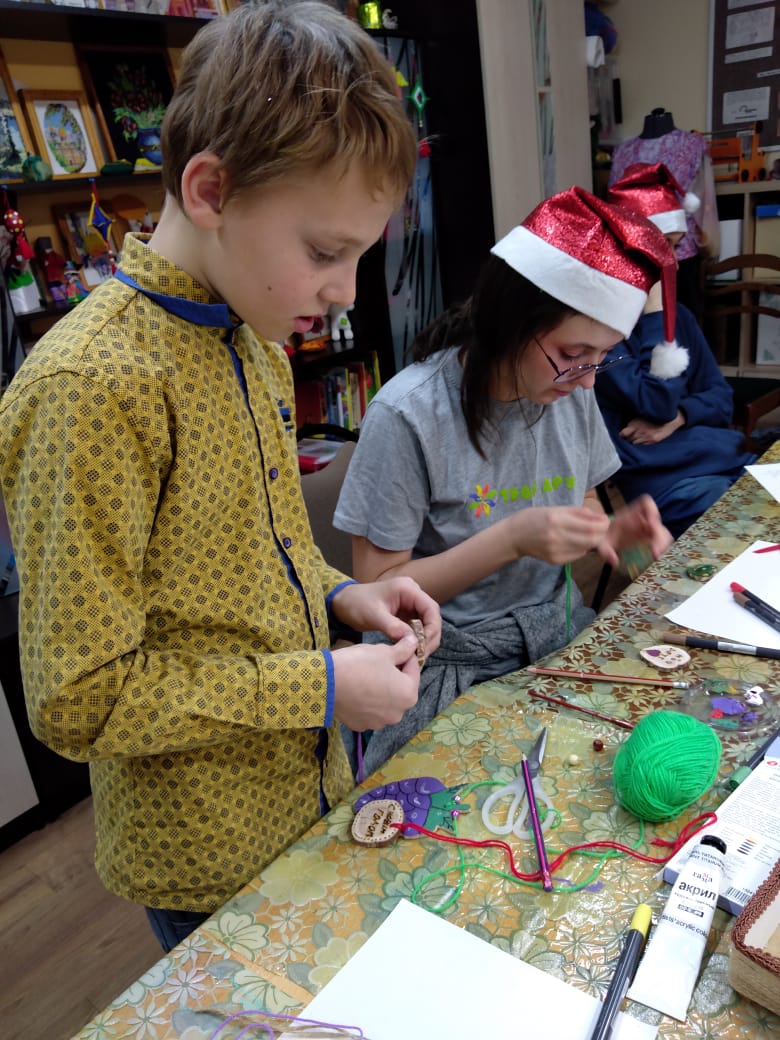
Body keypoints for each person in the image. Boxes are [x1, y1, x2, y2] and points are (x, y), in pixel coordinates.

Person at [0, 1, 442, 953]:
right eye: (324, 252)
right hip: (207, 848)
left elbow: (255, 555)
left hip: (310, 797)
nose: (345, 292)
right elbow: (78, 698)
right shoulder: (91, 390)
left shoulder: (254, 342)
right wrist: (319, 688)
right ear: (210, 190)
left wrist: (347, 595)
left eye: (359, 256)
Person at [333, 186, 674, 776]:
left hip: (552, 636)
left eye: (604, 357)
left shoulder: (568, 389)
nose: (588, 380)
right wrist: (511, 539)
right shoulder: (408, 414)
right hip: (438, 662)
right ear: (509, 321)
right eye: (574, 352)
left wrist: (609, 533)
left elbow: (580, 504)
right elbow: (376, 591)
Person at [597, 162, 757, 539]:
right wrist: (655, 313)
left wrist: (681, 417)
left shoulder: (679, 316)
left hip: (727, 462)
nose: (672, 262)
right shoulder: (601, 333)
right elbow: (657, 402)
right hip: (669, 486)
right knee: (750, 532)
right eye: (662, 246)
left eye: (674, 245)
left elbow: (722, 398)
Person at [609, 109, 719, 319]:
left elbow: (705, 200)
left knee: (682, 316)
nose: (671, 262)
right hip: (634, 258)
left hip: (683, 252)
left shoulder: (692, 144)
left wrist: (706, 241)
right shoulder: (622, 151)